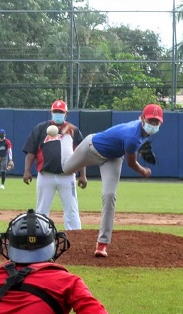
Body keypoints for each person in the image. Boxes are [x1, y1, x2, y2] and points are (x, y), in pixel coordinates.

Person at [61, 103, 164, 257]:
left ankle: (102, 244)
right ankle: (68, 136)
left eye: (156, 122)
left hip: (112, 158)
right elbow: (131, 163)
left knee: (109, 196)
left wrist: (138, 149)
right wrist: (143, 170)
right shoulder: (132, 137)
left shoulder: (140, 131)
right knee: (66, 169)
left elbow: (133, 143)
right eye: (151, 121)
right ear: (143, 119)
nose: (153, 124)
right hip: (92, 148)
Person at [22, 100, 87, 230]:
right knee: (41, 210)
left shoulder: (72, 130)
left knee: (72, 210)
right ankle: (40, 235)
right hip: (45, 176)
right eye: (56, 111)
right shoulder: (41, 129)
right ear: (51, 112)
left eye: (60, 112)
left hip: (67, 176)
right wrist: (27, 170)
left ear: (66, 114)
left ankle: (75, 236)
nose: (58, 114)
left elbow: (81, 154)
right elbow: (31, 152)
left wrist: (83, 175)